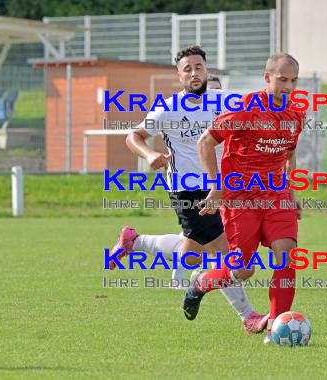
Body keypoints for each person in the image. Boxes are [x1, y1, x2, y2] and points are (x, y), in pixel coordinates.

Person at [110, 46, 268, 334]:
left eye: (198, 67)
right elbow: (133, 135)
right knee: (226, 253)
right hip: (188, 191)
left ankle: (136, 241)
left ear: (207, 69)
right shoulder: (167, 108)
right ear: (179, 75)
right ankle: (247, 316)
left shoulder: (226, 101)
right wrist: (147, 155)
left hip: (224, 188)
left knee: (193, 251)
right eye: (187, 69)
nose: (194, 73)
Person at [185, 53, 305, 344]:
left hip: (276, 195)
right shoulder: (247, 108)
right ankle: (201, 284)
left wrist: (292, 191)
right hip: (241, 198)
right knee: (242, 269)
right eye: (282, 80)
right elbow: (206, 141)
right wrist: (216, 186)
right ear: (267, 78)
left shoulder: (296, 114)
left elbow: (288, 154)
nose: (288, 87)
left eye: (293, 81)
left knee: (287, 257)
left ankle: (277, 329)